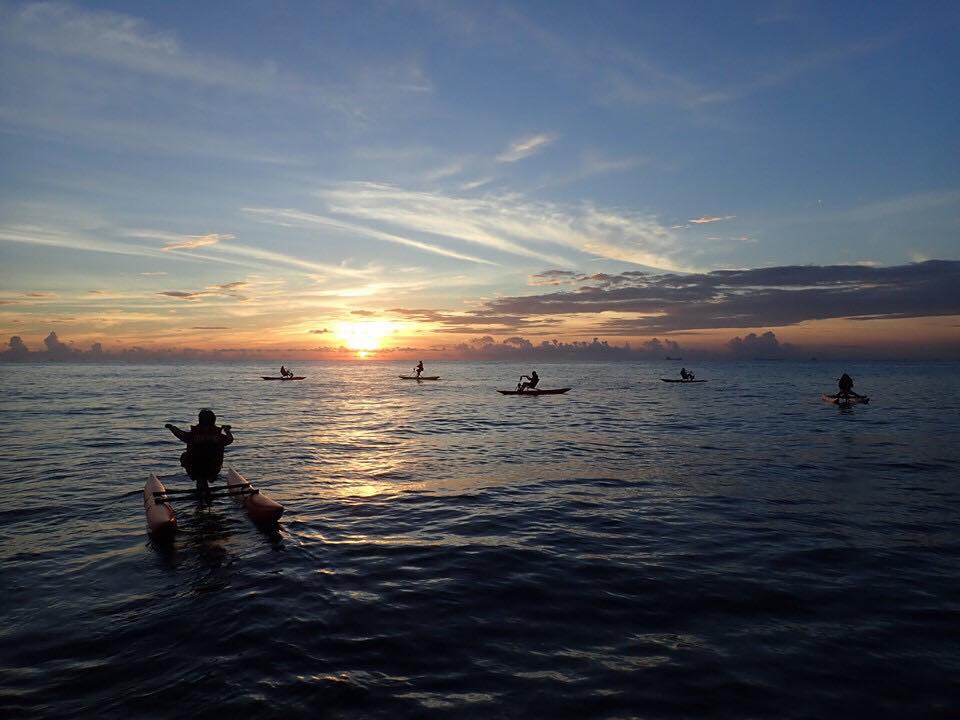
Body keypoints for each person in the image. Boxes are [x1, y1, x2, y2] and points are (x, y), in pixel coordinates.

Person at [165, 409, 234, 483]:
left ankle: (199, 481)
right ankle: (210, 479)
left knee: (184, 456)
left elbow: (179, 433)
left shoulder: (192, 436)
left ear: (199, 420)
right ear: (214, 420)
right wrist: (227, 430)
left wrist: (171, 427)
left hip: (194, 469)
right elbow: (230, 439)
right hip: (213, 469)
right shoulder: (219, 437)